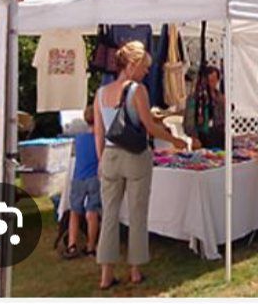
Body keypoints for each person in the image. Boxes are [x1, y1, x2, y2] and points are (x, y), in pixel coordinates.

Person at [95, 41, 188, 290]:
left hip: (110, 157)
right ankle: (135, 270)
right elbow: (149, 125)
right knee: (137, 214)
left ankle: (106, 274)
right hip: (135, 156)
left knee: (110, 216)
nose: (147, 71)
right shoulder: (138, 90)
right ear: (133, 65)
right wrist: (174, 139)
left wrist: (100, 160)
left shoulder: (101, 93)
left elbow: (98, 133)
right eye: (145, 67)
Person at [64, 107, 100, 260]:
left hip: (79, 177)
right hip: (94, 178)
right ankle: (91, 246)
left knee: (75, 211)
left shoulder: (79, 139)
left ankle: (72, 245)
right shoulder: (100, 139)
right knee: (92, 213)